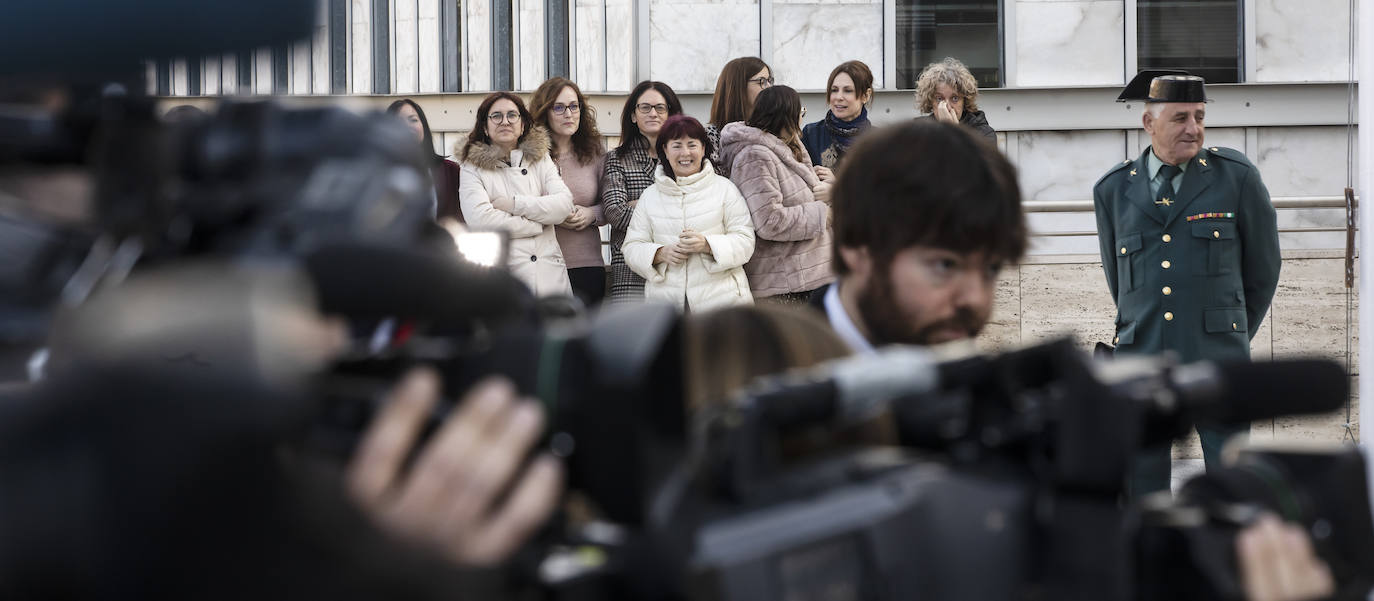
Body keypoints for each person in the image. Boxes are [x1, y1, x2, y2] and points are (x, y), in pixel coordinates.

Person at [1093, 72, 1281, 498]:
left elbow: (1264, 269)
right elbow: (1119, 282)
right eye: (1180, 118)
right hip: (1143, 359)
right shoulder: (1113, 190)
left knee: (1231, 480)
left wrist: (1230, 330)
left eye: (1199, 116)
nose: (1193, 128)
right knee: (1144, 485)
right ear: (1148, 123)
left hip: (1219, 357)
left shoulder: (1236, 177)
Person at [813, 119, 1027, 352]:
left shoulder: (975, 382)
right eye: (946, 265)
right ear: (858, 245)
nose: (976, 299)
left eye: (991, 269)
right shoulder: (780, 372)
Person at [622, 115, 755, 311]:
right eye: (676, 145)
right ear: (665, 151)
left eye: (692, 145)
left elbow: (746, 241)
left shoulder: (725, 189)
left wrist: (708, 245)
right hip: (666, 306)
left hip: (724, 305)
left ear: (703, 149)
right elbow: (632, 247)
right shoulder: (650, 197)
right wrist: (659, 253)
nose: (685, 153)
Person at [719, 85, 834, 304]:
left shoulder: (787, 147)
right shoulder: (754, 156)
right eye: (801, 112)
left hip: (809, 278)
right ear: (785, 116)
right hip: (785, 286)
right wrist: (823, 215)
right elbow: (769, 221)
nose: (802, 118)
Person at [458, 92, 575, 298]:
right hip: (505, 277)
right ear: (485, 126)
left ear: (522, 125)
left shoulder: (540, 159)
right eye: (496, 116)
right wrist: (536, 224)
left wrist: (514, 204)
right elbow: (480, 220)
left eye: (512, 115)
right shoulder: (471, 167)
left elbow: (564, 205)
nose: (505, 121)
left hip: (550, 275)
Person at [602, 81, 684, 303]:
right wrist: (671, 211)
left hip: (678, 263)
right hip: (632, 268)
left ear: (670, 113)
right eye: (645, 107)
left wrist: (640, 205)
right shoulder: (617, 158)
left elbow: (695, 206)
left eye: (660, 107)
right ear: (633, 115)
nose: (653, 113)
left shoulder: (685, 157)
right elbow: (616, 213)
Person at [530, 77, 608, 307]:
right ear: (545, 112)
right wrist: (556, 214)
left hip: (587, 264)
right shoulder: (530, 156)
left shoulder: (594, 152)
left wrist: (591, 214)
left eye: (574, 106)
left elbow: (611, 204)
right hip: (542, 264)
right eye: (559, 107)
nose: (569, 114)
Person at [387, 99, 464, 221]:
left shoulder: (451, 171)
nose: (407, 126)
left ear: (424, 126)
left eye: (413, 120)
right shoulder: (378, 174)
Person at [705, 56, 773, 176]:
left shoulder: (772, 131)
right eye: (762, 81)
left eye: (770, 81)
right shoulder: (710, 137)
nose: (769, 87)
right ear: (739, 86)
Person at [801, 60, 874, 172]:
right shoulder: (811, 134)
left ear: (866, 95)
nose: (838, 97)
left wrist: (837, 185)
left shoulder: (880, 141)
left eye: (848, 91)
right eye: (834, 90)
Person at [914, 57, 996, 141]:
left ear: (965, 101)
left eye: (955, 98)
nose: (947, 107)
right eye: (939, 98)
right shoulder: (917, 131)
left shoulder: (984, 134)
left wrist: (953, 133)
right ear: (930, 101)